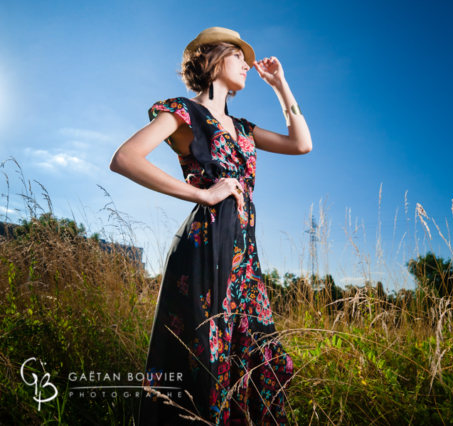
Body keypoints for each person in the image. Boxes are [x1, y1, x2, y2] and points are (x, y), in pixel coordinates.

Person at [109, 26, 312, 426]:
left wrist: (281, 85)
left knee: (265, 360)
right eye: (239, 56)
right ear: (214, 59)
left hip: (243, 254)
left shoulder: (243, 128)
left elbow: (300, 143)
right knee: (207, 358)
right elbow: (126, 158)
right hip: (204, 247)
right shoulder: (183, 112)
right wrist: (202, 194)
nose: (247, 65)